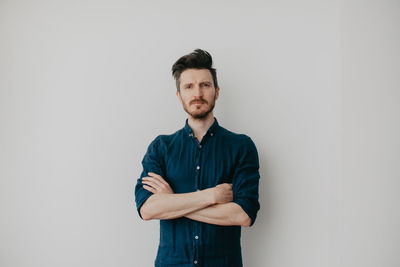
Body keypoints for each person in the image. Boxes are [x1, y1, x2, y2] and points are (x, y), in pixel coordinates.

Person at [134, 48, 260, 267]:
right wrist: (211, 196)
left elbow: (243, 215)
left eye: (205, 85)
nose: (197, 93)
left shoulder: (241, 146)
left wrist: (172, 202)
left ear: (217, 92)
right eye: (189, 86)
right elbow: (148, 209)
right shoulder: (161, 148)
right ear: (179, 95)